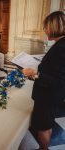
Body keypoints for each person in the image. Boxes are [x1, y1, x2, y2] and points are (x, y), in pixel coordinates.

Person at [23, 11, 65, 150]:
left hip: (48, 97)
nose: (45, 30)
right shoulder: (60, 44)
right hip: (51, 96)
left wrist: (37, 73)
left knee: (43, 127)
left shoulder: (61, 48)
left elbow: (60, 80)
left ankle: (43, 148)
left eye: (46, 26)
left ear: (54, 26)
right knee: (47, 125)